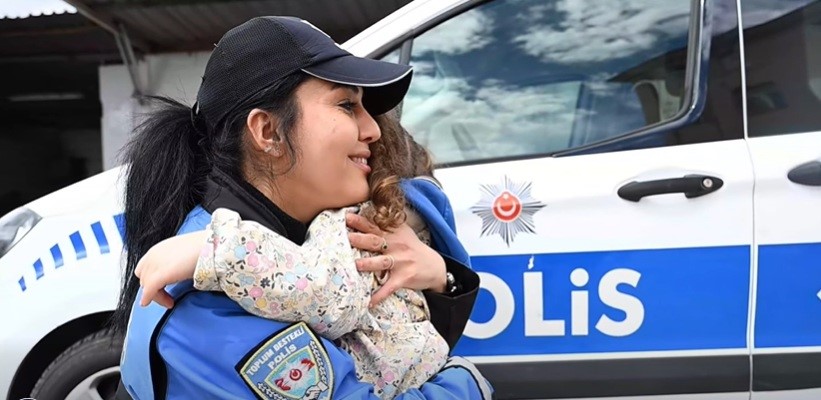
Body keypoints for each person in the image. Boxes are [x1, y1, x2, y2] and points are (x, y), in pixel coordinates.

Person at [112, 16, 491, 400]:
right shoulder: (211, 298)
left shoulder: (294, 244)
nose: (373, 130)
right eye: (346, 105)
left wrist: (439, 278)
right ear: (268, 132)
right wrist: (468, 382)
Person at [133, 114, 457, 399]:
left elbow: (323, 291)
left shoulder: (351, 223)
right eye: (345, 106)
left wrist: (219, 249)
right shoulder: (403, 223)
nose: (367, 129)